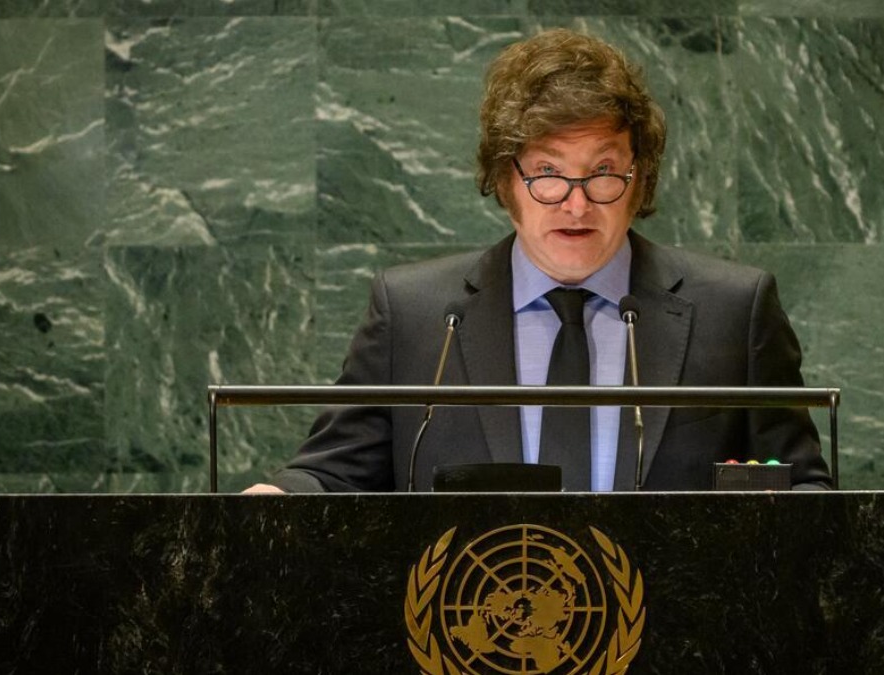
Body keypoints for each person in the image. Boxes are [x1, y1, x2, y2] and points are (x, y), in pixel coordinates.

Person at [245, 28, 831, 494]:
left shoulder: (734, 310)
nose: (576, 204)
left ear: (639, 178)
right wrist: (279, 498)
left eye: (602, 172)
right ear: (505, 178)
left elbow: (803, 486)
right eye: (548, 173)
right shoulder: (416, 315)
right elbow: (334, 473)